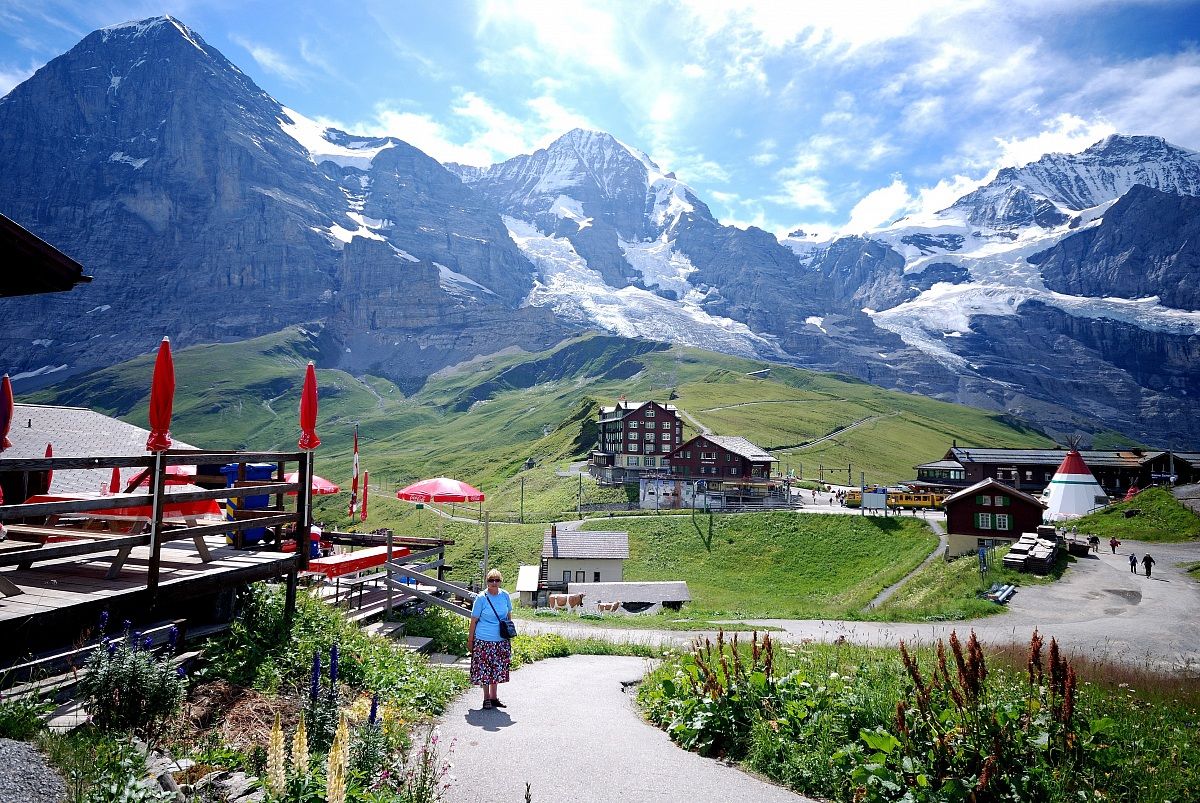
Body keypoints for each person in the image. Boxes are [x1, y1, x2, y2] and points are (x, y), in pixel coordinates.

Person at [468, 568, 513, 710]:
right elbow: (474, 620)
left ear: (500, 581)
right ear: (486, 582)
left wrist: (508, 634)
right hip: (484, 640)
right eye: (491, 580)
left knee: (497, 668)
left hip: (501, 640)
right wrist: (470, 640)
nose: (494, 583)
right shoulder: (481, 598)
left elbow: (508, 616)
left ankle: (494, 698)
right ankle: (486, 698)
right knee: (484, 669)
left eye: (497, 580)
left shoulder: (505, 595)